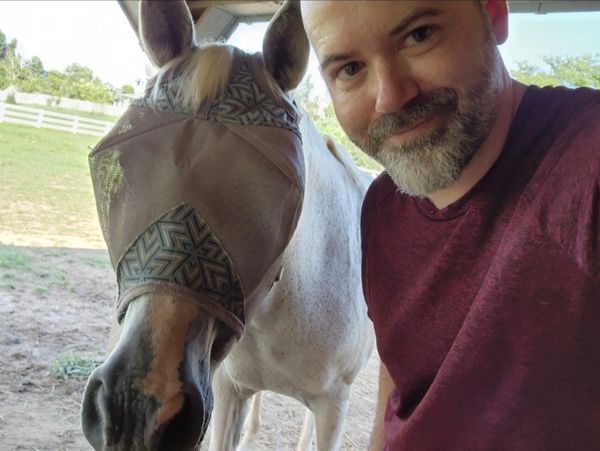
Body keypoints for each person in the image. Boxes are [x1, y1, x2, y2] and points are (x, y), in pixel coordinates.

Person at [300, 1, 600, 450]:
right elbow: (402, 386)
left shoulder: (586, 160)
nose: (389, 97)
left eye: (419, 35)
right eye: (349, 69)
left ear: (493, 13)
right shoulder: (382, 207)